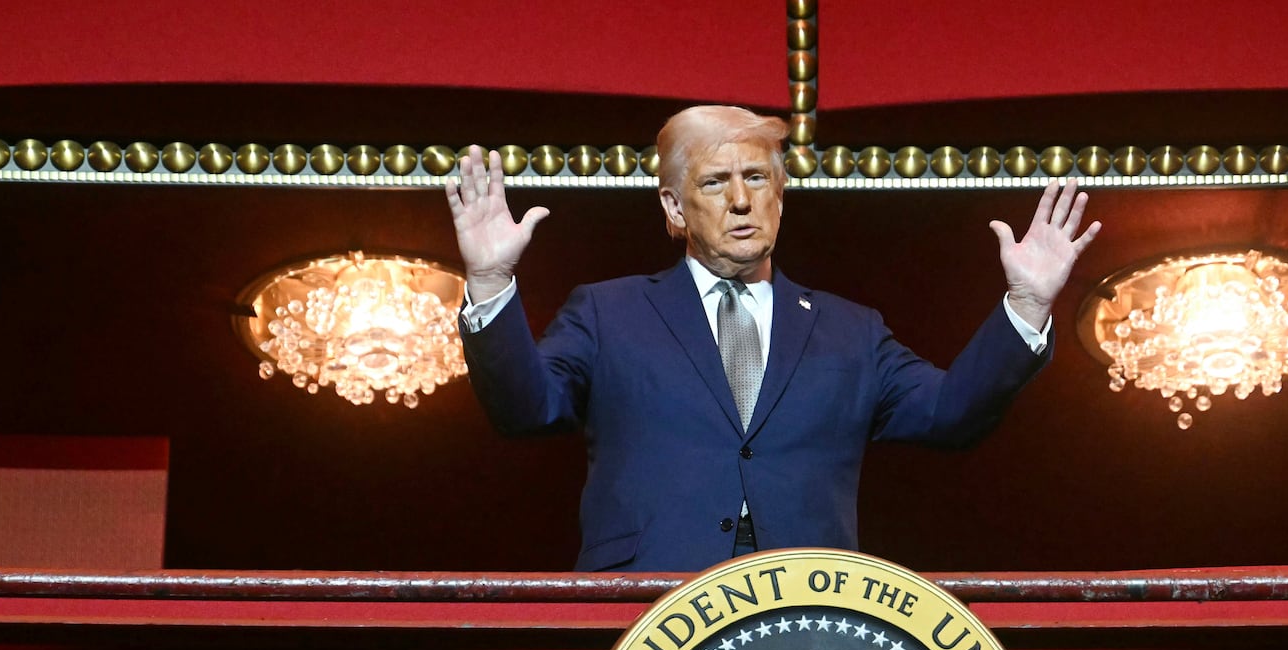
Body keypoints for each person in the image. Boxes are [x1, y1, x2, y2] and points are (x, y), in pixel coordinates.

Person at [446, 105, 1099, 572]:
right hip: (646, 612)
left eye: (757, 178)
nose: (740, 201)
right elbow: (524, 409)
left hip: (806, 615)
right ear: (674, 208)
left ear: (781, 196)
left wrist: (1027, 302)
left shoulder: (851, 330)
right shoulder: (608, 311)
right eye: (714, 181)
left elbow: (951, 413)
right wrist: (490, 279)